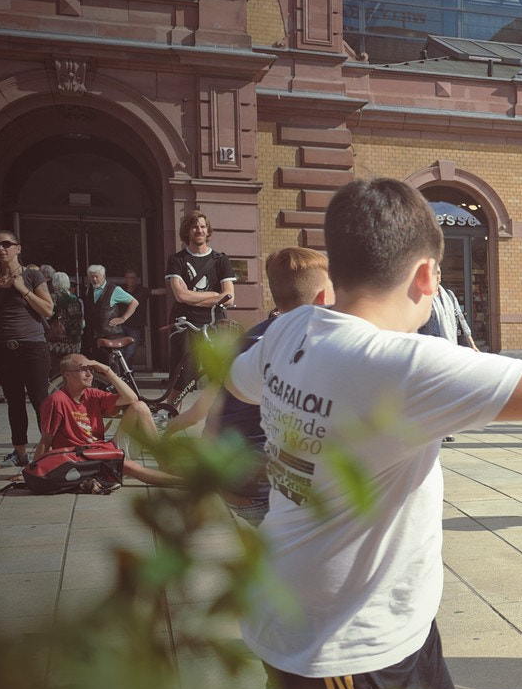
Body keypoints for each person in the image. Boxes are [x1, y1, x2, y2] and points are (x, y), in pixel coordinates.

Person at [223, 178, 522, 689]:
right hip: (341, 647)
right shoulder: (395, 363)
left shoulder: (291, 329)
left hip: (394, 623)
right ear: (425, 276)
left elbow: (237, 378)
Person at [166, 247, 334, 525]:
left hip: (235, 488)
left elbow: (207, 416)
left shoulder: (251, 340)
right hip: (265, 491)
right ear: (322, 298)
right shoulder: (310, 341)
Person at [34, 354, 178, 486]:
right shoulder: (56, 400)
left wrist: (107, 371)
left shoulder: (93, 394)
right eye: (83, 370)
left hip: (102, 450)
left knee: (139, 407)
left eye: (91, 370)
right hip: (80, 459)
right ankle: (185, 482)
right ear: (67, 374)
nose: (90, 374)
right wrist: (34, 470)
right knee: (129, 466)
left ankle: (164, 464)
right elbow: (46, 440)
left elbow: (131, 398)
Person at [0, 231, 54, 467]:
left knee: (40, 399)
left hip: (33, 346)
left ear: (18, 248)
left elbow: (48, 309)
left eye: (7, 244)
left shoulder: (32, 275)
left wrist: (22, 288)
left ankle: (48, 451)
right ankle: (20, 453)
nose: (1, 248)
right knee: (14, 401)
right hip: (3, 347)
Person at [163, 210, 236, 408]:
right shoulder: (177, 260)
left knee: (220, 378)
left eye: (203, 226)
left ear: (208, 230)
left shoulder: (220, 260)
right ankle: (171, 416)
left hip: (214, 325)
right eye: (195, 226)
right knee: (181, 378)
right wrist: (215, 296)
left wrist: (194, 298)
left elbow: (229, 297)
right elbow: (181, 295)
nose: (199, 230)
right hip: (185, 325)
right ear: (187, 231)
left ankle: (221, 423)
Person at [83, 264, 138, 361]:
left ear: (103, 276)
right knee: (99, 366)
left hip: (110, 334)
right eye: (92, 277)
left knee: (113, 365)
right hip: (95, 335)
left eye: (97, 276)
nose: (94, 279)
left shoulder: (113, 289)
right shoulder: (89, 290)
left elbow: (134, 302)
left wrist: (123, 318)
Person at [45, 272, 84, 358]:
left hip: (58, 341)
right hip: (75, 340)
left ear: (54, 283)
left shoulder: (53, 297)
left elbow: (47, 315)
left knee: (57, 367)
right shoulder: (75, 298)